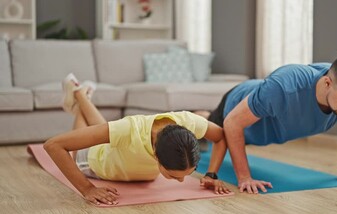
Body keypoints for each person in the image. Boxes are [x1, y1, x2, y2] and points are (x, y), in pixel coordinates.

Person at [44, 73, 231, 206]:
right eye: (174, 176)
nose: (181, 182)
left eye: (187, 174)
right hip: (94, 162)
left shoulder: (189, 122)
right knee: (90, 134)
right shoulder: (130, 129)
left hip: (120, 151)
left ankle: (81, 94)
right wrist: (87, 189)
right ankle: (79, 97)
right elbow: (54, 145)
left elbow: (220, 137)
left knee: (106, 130)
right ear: (156, 155)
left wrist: (211, 174)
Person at [203, 53, 337, 194]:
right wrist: (244, 178)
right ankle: (201, 116)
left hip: (261, 123)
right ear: (327, 83)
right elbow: (232, 123)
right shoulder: (283, 87)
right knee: (209, 134)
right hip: (236, 105)